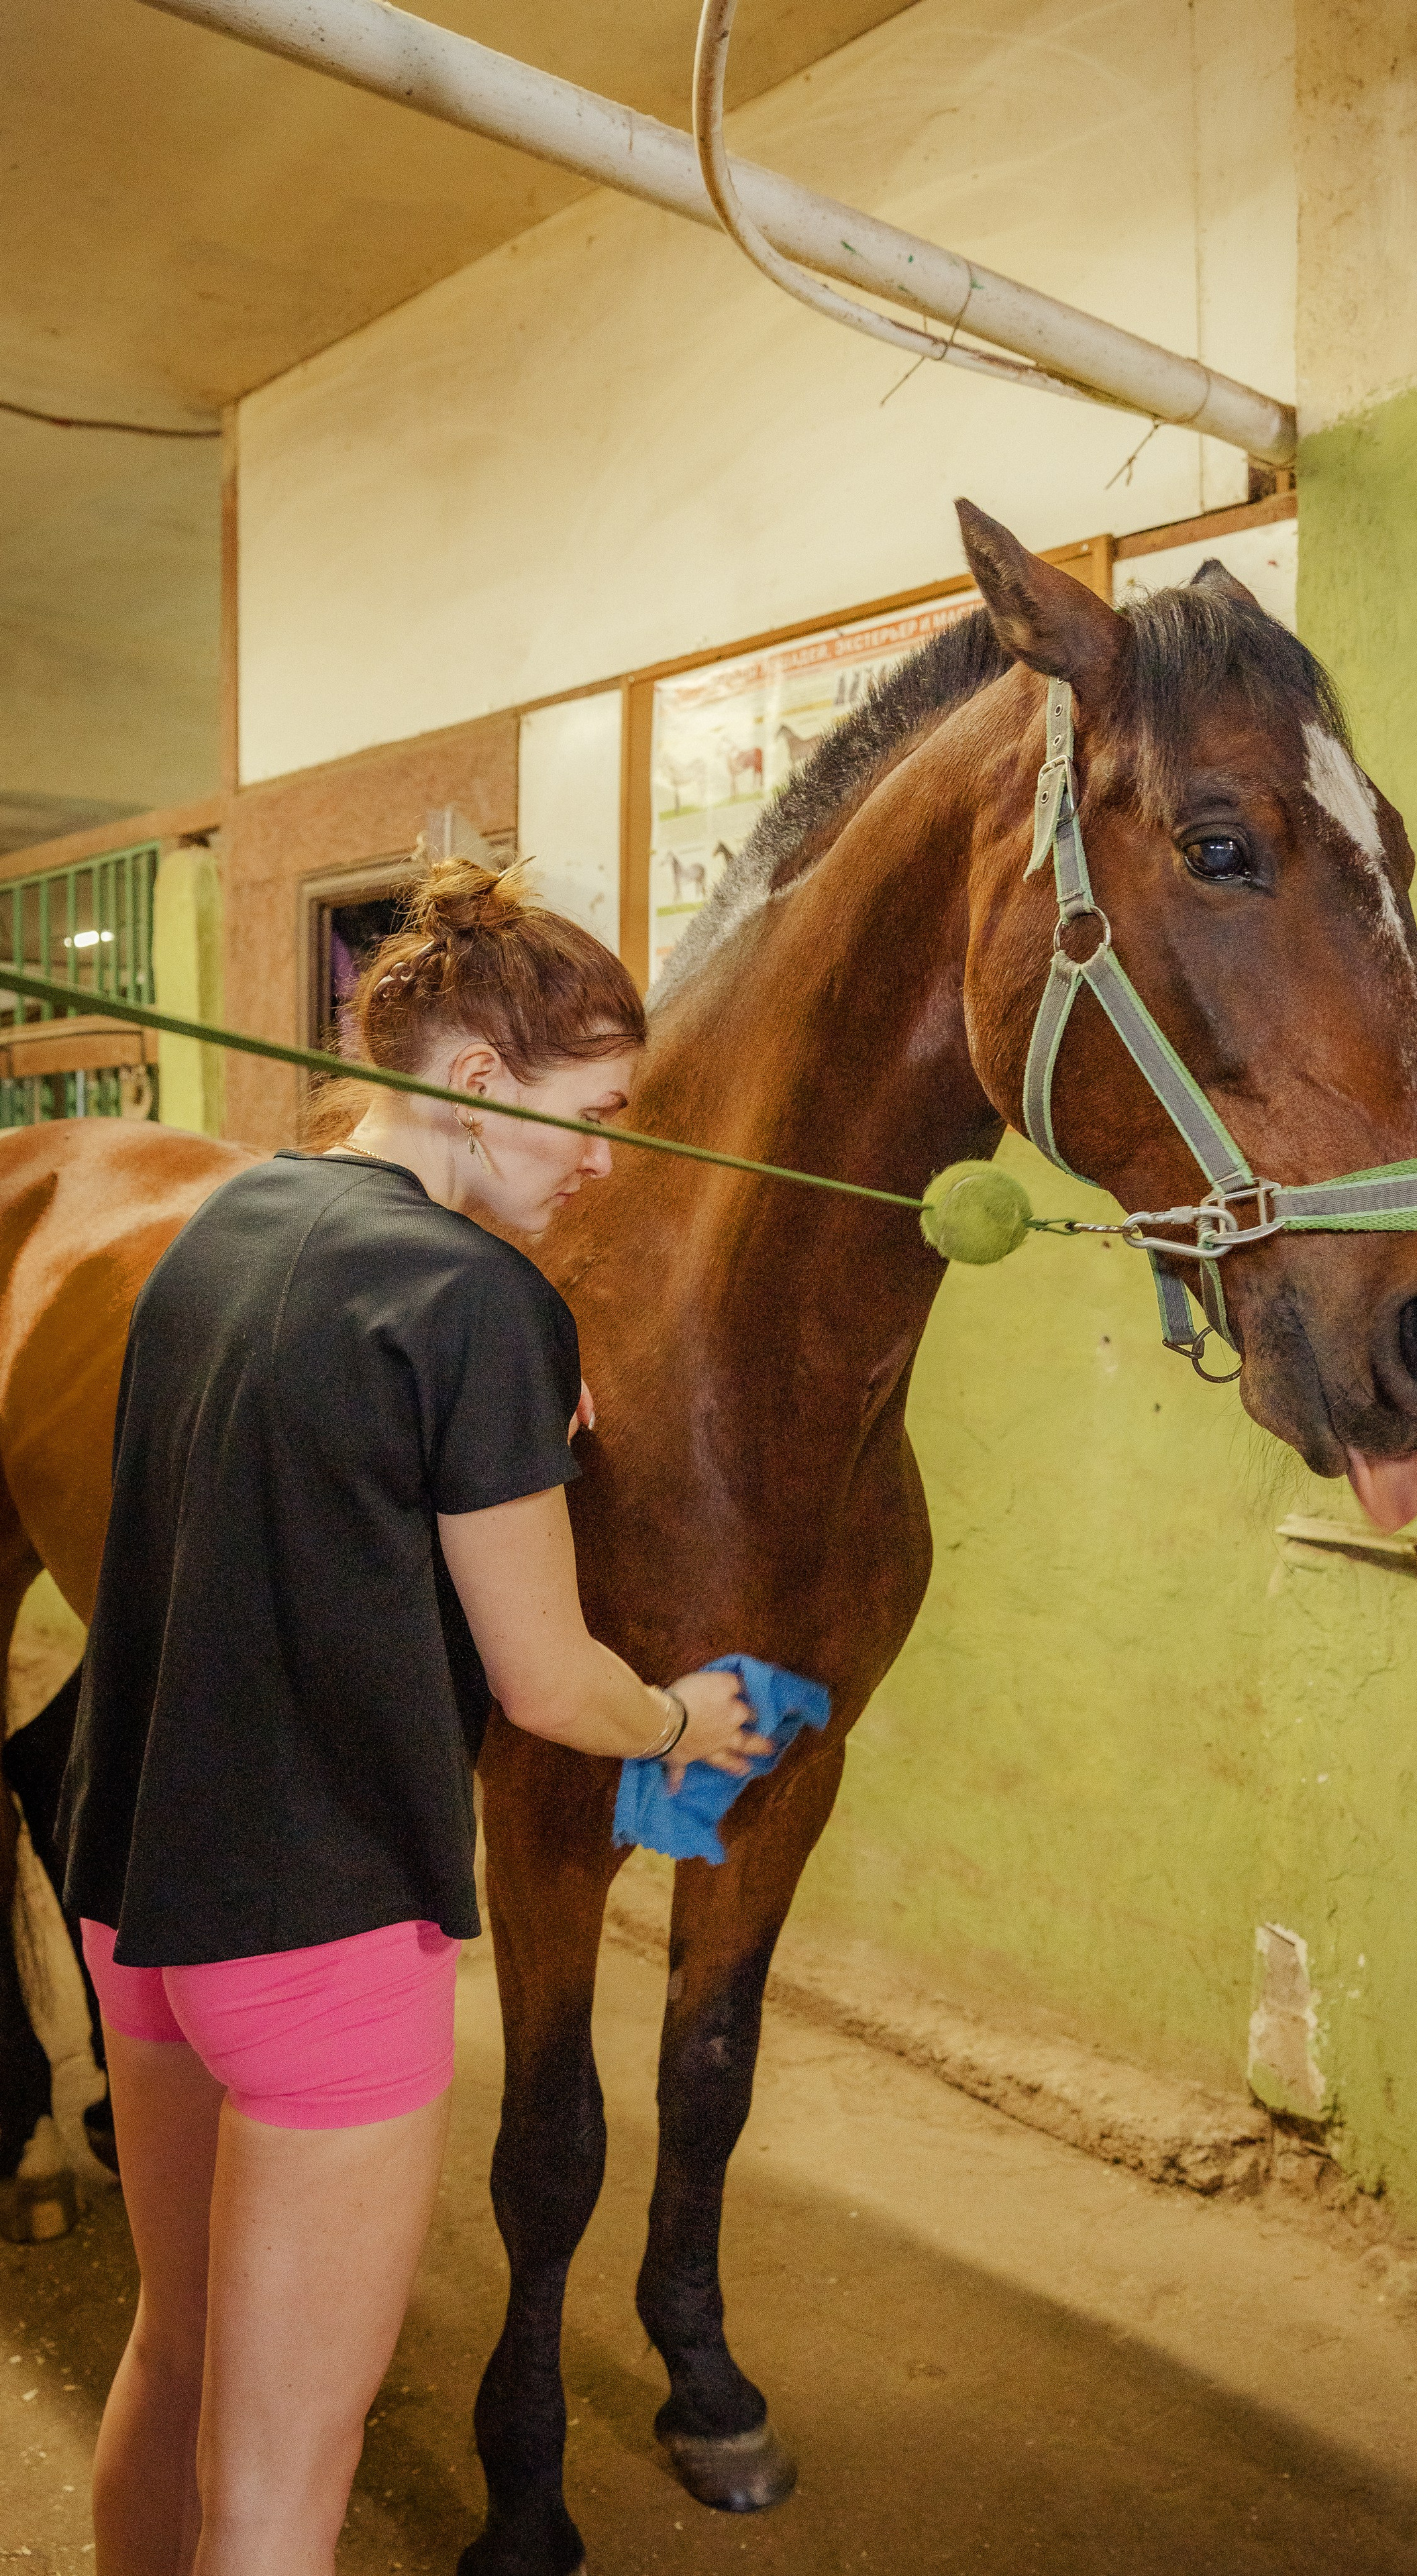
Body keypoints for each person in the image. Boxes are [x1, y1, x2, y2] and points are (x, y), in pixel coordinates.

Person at [57, 855, 768, 2576]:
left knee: (174, 2355)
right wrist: (681, 1721)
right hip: (317, 1931)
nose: (602, 1160)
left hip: (134, 1898)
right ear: (475, 1082)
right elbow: (548, 1682)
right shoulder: (482, 1304)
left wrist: (497, 1414)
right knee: (282, 2490)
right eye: (589, 1116)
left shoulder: (224, 1227)